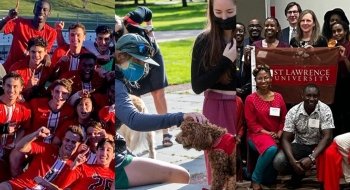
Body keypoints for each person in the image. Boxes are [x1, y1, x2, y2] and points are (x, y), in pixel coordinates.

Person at [116, 33, 206, 188]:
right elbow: (135, 120)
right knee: (180, 175)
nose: (143, 67)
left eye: (144, 63)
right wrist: (181, 117)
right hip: (106, 161)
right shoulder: (116, 85)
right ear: (120, 57)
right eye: (138, 61)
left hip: (110, 149)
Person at [191, 0, 239, 184]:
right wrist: (225, 62)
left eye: (230, 11)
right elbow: (197, 86)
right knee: (218, 171)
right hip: (216, 106)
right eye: (218, 12)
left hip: (240, 105)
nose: (224, 17)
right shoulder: (204, 40)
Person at [116, 7, 173, 147]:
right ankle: (140, 137)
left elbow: (148, 12)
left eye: (118, 30)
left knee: (158, 94)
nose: (117, 34)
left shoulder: (131, 18)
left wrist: (151, 31)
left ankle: (166, 132)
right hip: (130, 63)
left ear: (123, 24)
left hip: (151, 56)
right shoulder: (114, 40)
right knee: (135, 99)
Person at [273, 84, 334, 189]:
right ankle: (298, 174)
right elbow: (285, 139)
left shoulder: (325, 110)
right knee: (279, 161)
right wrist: (293, 162)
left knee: (330, 153)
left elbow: (327, 137)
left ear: (318, 97)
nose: (311, 99)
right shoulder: (293, 112)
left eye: (315, 96)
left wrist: (311, 158)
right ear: (302, 96)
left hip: (320, 146)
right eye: (308, 95)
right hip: (301, 145)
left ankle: (325, 183)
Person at [0, 125, 84, 190]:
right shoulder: (48, 148)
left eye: (73, 142)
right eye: (67, 140)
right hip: (21, 184)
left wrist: (46, 183)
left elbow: (61, 188)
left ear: (79, 145)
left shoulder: (74, 166)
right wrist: (36, 134)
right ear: (62, 140)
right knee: (3, 186)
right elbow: (19, 147)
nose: (69, 144)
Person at [244, 65, 287, 189]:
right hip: (257, 134)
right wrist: (268, 133)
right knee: (271, 149)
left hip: (276, 135)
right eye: (260, 78)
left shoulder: (278, 97)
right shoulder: (250, 99)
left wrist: (279, 132)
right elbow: (251, 124)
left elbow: (284, 119)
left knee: (269, 179)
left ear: (271, 78)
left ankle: (261, 178)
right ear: (255, 81)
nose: (263, 81)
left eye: (266, 77)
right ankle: (255, 179)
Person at [0, 0, 56, 71]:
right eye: (38, 8)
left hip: (28, 73)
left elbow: (45, 53)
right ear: (34, 10)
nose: (41, 11)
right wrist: (8, 17)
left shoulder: (51, 32)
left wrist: (47, 58)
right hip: (9, 70)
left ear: (49, 13)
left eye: (45, 10)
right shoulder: (19, 23)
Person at [0, 72, 31, 181]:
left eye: (15, 87)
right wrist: (3, 129)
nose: (11, 90)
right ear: (3, 86)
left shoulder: (25, 109)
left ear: (22, 88)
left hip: (9, 152)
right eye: (8, 86)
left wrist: (16, 144)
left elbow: (24, 128)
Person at [330, 21, 350, 136]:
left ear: (345, 31)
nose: (336, 33)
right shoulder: (331, 47)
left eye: (339, 30)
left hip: (348, 87)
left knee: (347, 117)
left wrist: (344, 57)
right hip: (335, 88)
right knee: (335, 117)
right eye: (334, 31)